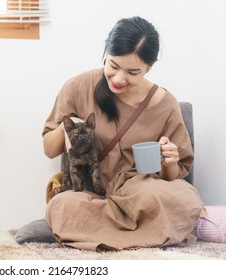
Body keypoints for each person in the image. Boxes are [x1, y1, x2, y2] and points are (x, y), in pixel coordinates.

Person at [42, 16, 207, 251]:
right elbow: (49, 150)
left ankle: (106, 233)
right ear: (106, 53)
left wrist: (170, 160)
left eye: (132, 71)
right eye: (113, 66)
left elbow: (172, 177)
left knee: (184, 199)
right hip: (89, 194)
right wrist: (65, 128)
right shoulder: (77, 87)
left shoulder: (165, 103)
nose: (119, 79)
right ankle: (144, 234)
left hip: (139, 194)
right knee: (62, 206)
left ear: (149, 68)